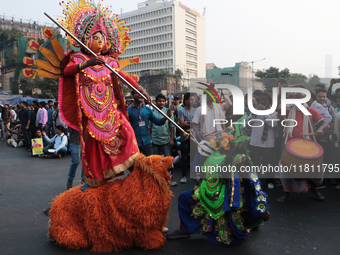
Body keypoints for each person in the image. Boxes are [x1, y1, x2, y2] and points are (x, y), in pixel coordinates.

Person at [59, 10, 156, 188]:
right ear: (87, 39)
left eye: (103, 38)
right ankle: (91, 187)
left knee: (128, 137)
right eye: (96, 37)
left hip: (112, 113)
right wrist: (88, 64)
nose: (101, 41)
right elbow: (66, 72)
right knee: (94, 155)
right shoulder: (79, 58)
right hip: (91, 116)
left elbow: (125, 77)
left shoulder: (110, 62)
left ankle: (138, 178)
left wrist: (141, 89)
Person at [277, 93, 329, 202]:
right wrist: (280, 92)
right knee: (284, 169)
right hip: (290, 146)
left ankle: (314, 188)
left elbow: (324, 123)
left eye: (302, 98)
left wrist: (321, 129)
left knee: (318, 169)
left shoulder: (311, 111)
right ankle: (286, 193)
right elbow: (278, 108)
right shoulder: (288, 110)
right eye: (297, 98)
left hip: (307, 147)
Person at [127, 90, 172, 156]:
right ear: (133, 96)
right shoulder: (128, 110)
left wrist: (167, 116)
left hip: (147, 143)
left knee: (149, 163)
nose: (140, 94)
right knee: (136, 164)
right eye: (137, 93)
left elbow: (158, 122)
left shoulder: (148, 110)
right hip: (134, 143)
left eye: (141, 93)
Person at [248, 93, 278, 189]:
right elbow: (249, 123)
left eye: (265, 100)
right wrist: (253, 114)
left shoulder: (274, 113)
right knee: (255, 163)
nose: (263, 102)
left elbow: (272, 124)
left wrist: (265, 112)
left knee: (268, 163)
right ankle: (256, 180)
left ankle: (270, 181)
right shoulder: (255, 111)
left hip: (267, 143)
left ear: (269, 102)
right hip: (255, 142)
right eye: (262, 100)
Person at [149, 94, 176, 186]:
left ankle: (170, 179)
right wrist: (150, 139)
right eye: (159, 101)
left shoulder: (169, 112)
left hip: (166, 140)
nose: (161, 103)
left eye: (163, 101)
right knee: (156, 161)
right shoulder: (151, 112)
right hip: (155, 141)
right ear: (156, 102)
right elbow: (149, 127)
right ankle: (157, 180)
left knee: (168, 160)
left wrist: (172, 139)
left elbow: (172, 127)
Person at [178, 93, 196, 183]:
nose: (193, 101)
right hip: (184, 137)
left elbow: (199, 124)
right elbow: (182, 124)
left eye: (193, 99)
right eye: (191, 99)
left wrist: (188, 122)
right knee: (184, 157)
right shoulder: (181, 111)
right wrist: (192, 123)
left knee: (195, 156)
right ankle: (184, 176)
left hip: (195, 137)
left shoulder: (196, 110)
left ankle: (195, 174)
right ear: (186, 101)